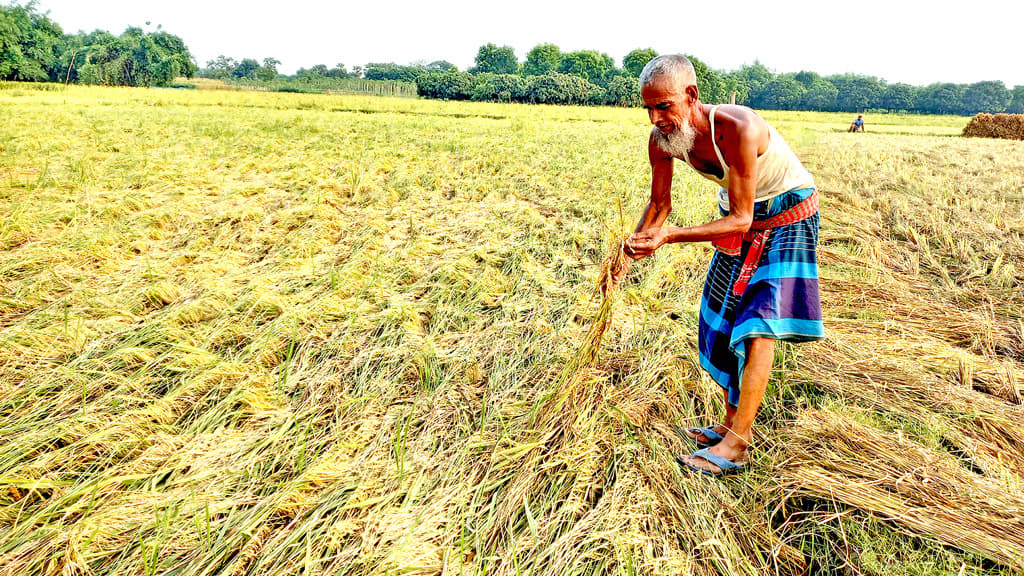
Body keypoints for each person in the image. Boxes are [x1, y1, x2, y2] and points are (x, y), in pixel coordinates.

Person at [610, 55, 825, 476]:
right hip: (740, 217)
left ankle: (738, 445)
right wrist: (624, 259)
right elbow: (659, 204)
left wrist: (670, 236)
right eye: (648, 109)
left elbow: (743, 219)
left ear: (691, 96)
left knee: (757, 325)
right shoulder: (662, 140)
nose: (655, 119)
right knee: (722, 317)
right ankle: (727, 426)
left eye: (664, 106)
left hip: (786, 216)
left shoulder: (736, 127)